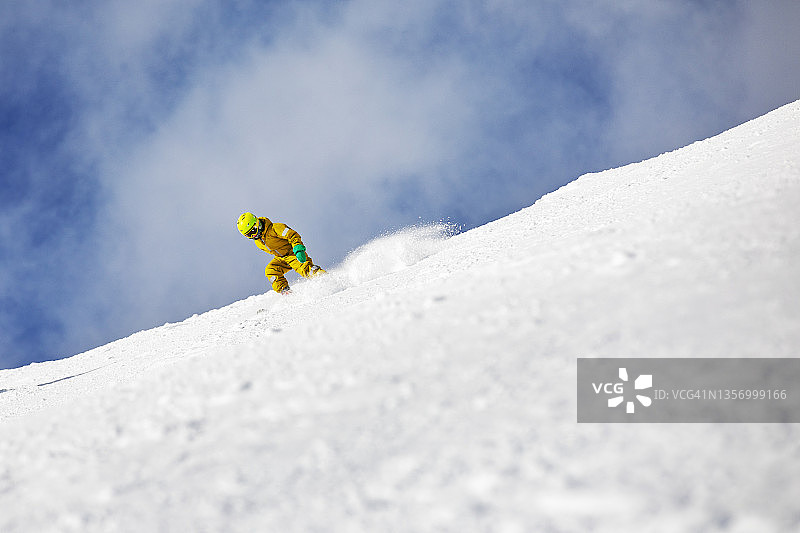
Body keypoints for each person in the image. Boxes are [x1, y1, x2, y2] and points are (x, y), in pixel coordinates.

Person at [237, 212, 326, 294]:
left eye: (253, 231)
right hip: (281, 258)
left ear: (257, 224)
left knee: (305, 268)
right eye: (249, 235)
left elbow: (292, 235)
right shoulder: (258, 241)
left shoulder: (275, 228)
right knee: (270, 270)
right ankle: (286, 293)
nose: (253, 236)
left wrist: (298, 249)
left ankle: (324, 279)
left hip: (292, 253)